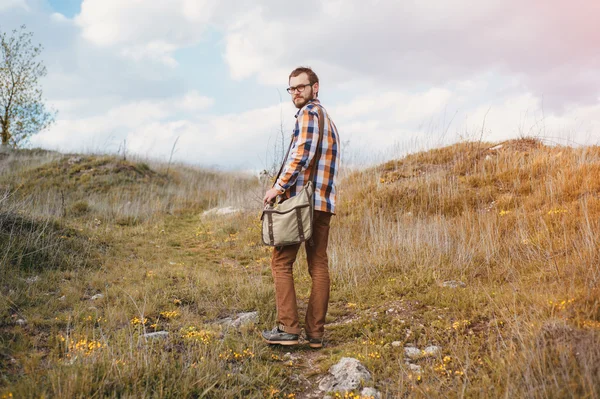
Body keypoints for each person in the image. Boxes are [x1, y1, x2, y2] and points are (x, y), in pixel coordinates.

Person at [262, 66, 339, 349]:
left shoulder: (308, 114)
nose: (296, 93)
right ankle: (315, 334)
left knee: (281, 261)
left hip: (301, 204)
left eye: (301, 87)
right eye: (292, 88)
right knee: (318, 264)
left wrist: (278, 188)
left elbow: (301, 156)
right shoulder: (328, 119)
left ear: (315, 87)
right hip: (323, 203)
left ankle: (288, 329)